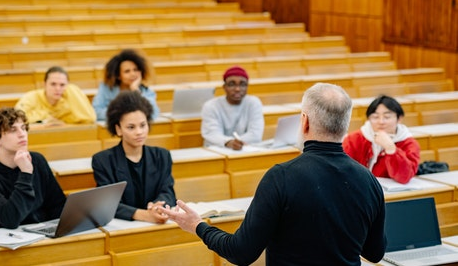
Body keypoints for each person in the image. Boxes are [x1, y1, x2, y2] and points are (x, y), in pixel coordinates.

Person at [160, 83, 386, 265]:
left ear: (304, 121)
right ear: (345, 125)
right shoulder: (368, 180)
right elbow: (375, 253)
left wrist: (198, 226)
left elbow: (241, 253)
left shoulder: (282, 177)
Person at [0, 107, 66, 230]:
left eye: (23, 128)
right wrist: (26, 173)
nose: (22, 134)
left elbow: (57, 205)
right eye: (12, 130)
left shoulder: (38, 160)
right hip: (3, 241)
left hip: (41, 235)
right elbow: (10, 219)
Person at [91, 90, 175, 224]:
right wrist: (144, 215)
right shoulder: (102, 161)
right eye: (131, 127)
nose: (139, 132)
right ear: (118, 129)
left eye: (143, 125)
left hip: (155, 223)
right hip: (122, 226)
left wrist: (157, 207)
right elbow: (107, 204)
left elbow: (168, 192)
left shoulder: (162, 156)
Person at [343, 95, 420, 184]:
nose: (381, 122)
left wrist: (391, 149)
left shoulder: (409, 143)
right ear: (369, 119)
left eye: (387, 117)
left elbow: (404, 177)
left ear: (399, 118)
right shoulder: (354, 139)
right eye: (375, 117)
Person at [201, 65, 264, 150]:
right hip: (217, 150)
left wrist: (237, 143)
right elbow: (212, 134)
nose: (237, 89)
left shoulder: (253, 103)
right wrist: (228, 142)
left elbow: (255, 134)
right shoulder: (211, 106)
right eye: (231, 84)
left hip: (246, 150)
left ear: (247, 86)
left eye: (242, 84)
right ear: (224, 87)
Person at [92, 49, 159, 121]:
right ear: (118, 76)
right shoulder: (106, 88)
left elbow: (153, 114)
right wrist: (124, 114)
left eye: (136, 70)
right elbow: (96, 112)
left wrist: (136, 91)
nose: (133, 74)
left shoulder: (145, 91)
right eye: (127, 71)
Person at [15, 66, 96, 125]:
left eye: (62, 85)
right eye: (53, 84)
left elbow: (89, 118)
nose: (57, 88)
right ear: (44, 84)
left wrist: (72, 89)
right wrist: (46, 119)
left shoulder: (67, 103)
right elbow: (16, 119)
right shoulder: (31, 98)